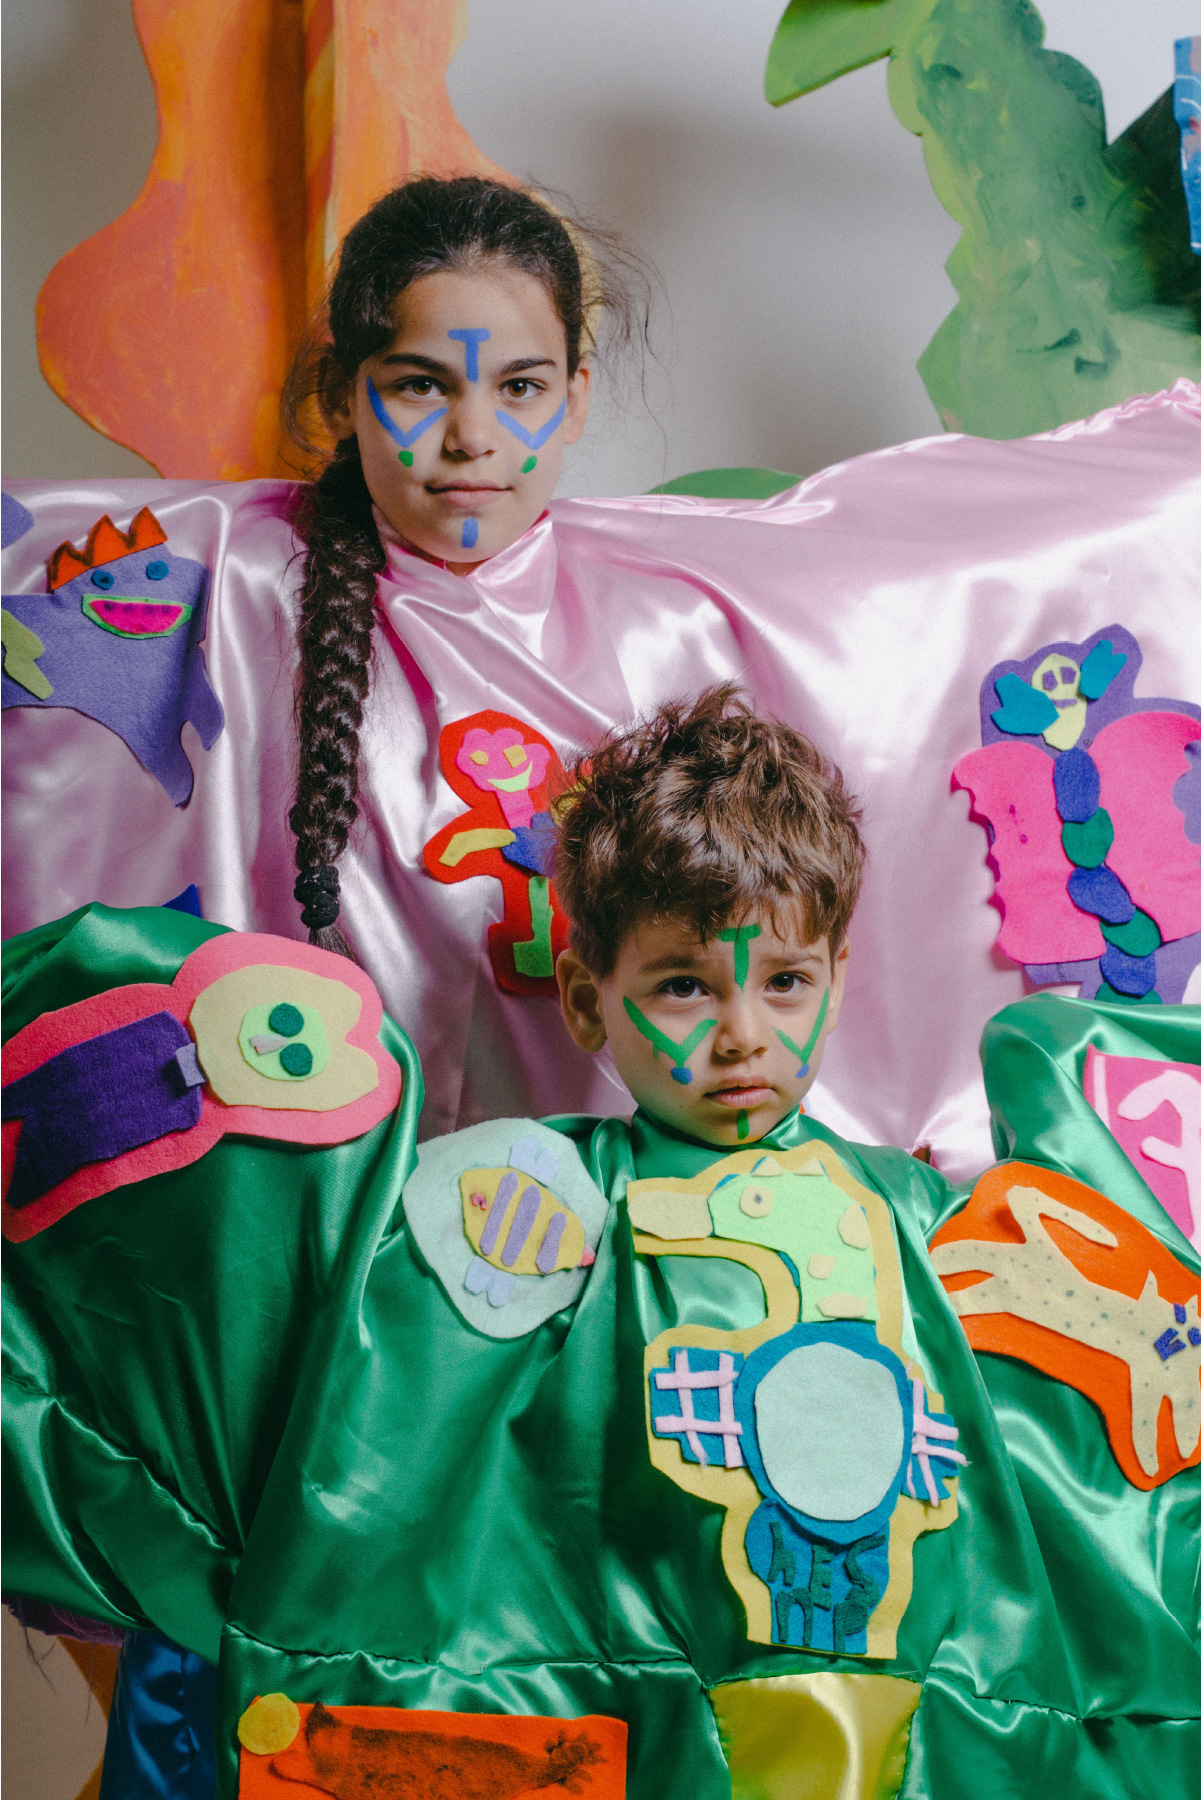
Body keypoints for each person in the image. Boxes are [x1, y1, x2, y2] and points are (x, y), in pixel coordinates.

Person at [4, 689, 1196, 1799]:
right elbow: (385, 1418)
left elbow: (1076, 1462)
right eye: (683, 988)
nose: (742, 1034)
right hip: (633, 1723)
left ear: (836, 978)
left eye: (783, 982)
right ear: (588, 1002)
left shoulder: (923, 1220)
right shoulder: (535, 1201)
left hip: (920, 1726)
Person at [3, 176, 1196, 1165]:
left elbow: (931, 576)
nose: (472, 437)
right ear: (342, 395)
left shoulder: (670, 607)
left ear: (576, 397)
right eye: (420, 385)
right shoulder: (228, 582)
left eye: (518, 387)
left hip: (623, 1218)